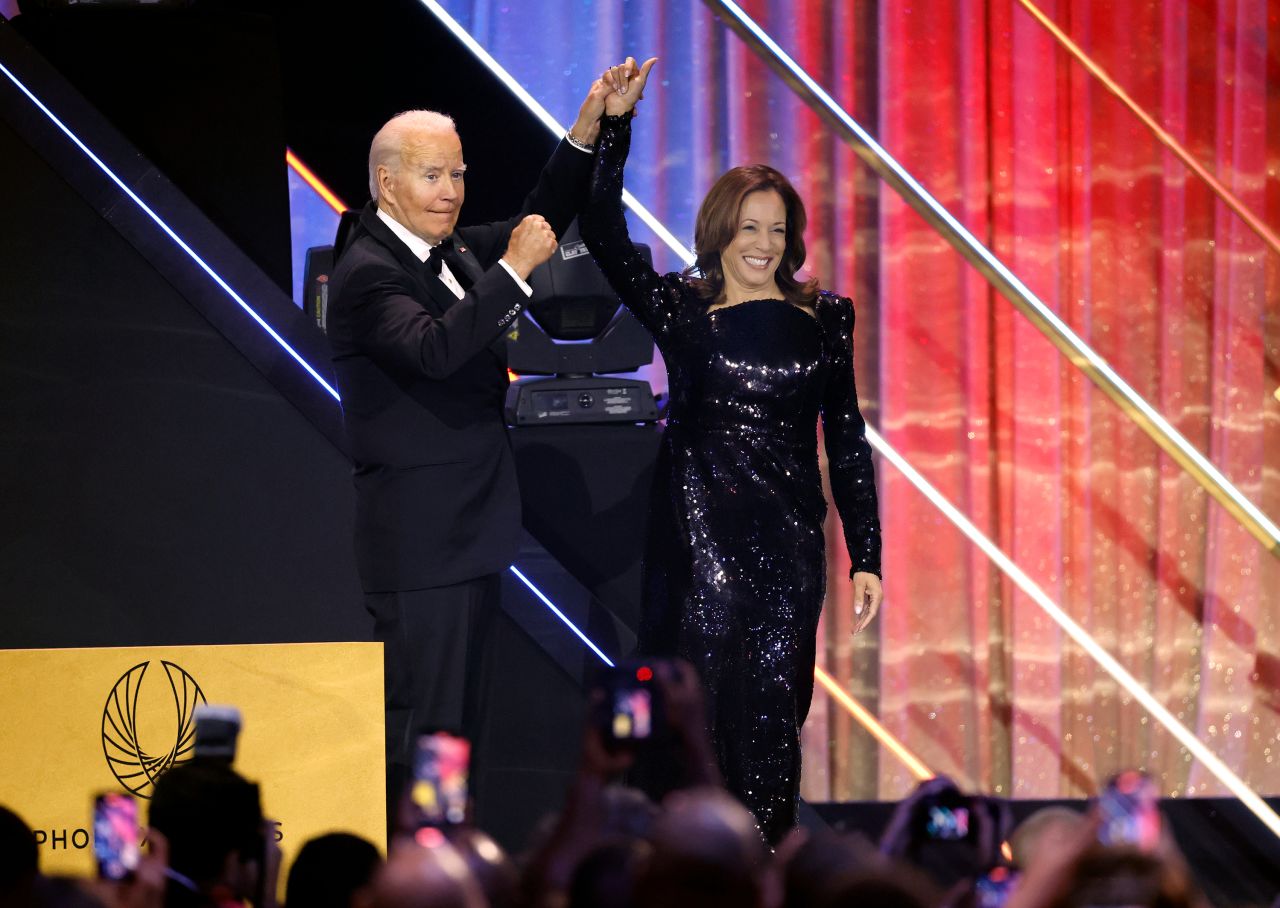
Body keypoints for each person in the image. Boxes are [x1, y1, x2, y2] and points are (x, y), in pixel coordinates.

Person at [578, 58, 884, 845]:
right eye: (749, 227)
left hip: (788, 554)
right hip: (697, 549)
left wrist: (867, 554)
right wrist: (616, 127)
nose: (764, 243)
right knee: (696, 728)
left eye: (778, 229)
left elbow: (844, 438)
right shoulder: (682, 307)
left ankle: (762, 871)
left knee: (773, 726)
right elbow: (604, 231)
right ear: (720, 231)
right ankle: (691, 872)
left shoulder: (828, 318)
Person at [326, 72, 622, 820]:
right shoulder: (366, 273)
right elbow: (433, 351)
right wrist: (516, 270)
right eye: (433, 175)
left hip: (466, 541)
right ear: (387, 183)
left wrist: (587, 128)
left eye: (458, 173)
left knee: (456, 742)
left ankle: (449, 873)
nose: (452, 190)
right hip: (423, 552)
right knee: (429, 743)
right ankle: (419, 881)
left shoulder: (448, 251)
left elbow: (540, 218)